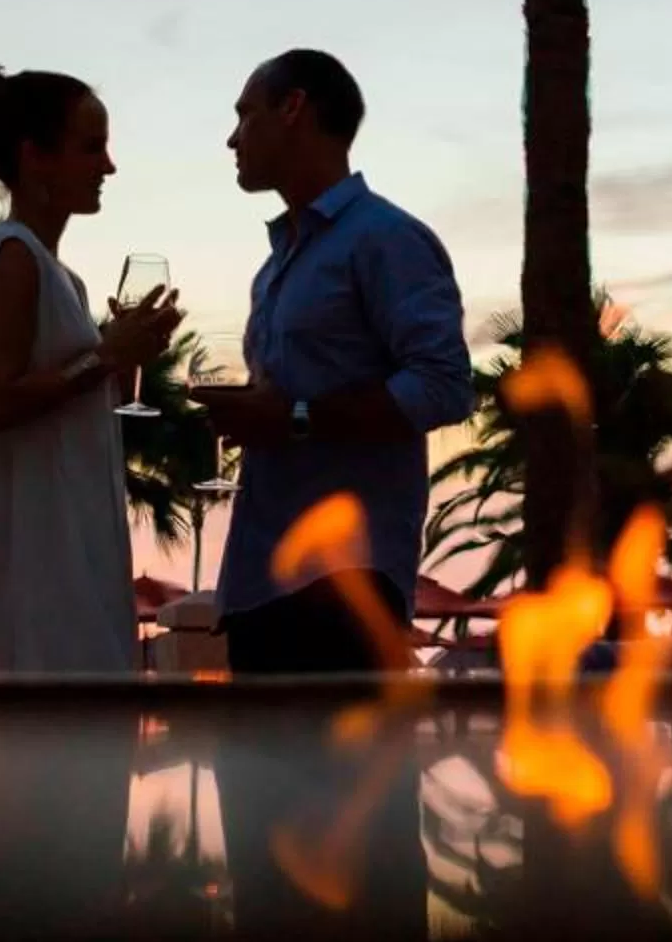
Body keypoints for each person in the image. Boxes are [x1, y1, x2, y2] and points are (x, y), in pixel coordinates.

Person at [196, 49, 473, 675]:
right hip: (260, 584)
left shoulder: (386, 239)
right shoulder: (277, 264)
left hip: (345, 588)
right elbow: (286, 407)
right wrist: (249, 414)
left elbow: (444, 384)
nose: (233, 138)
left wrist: (294, 417)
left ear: (293, 108)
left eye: (245, 115)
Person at [0, 66, 178, 675]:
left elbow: (67, 398)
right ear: (36, 157)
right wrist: (104, 357)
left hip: (72, 558)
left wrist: (121, 356)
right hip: (38, 577)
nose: (108, 166)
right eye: (91, 147)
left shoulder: (63, 279)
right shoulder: (13, 256)